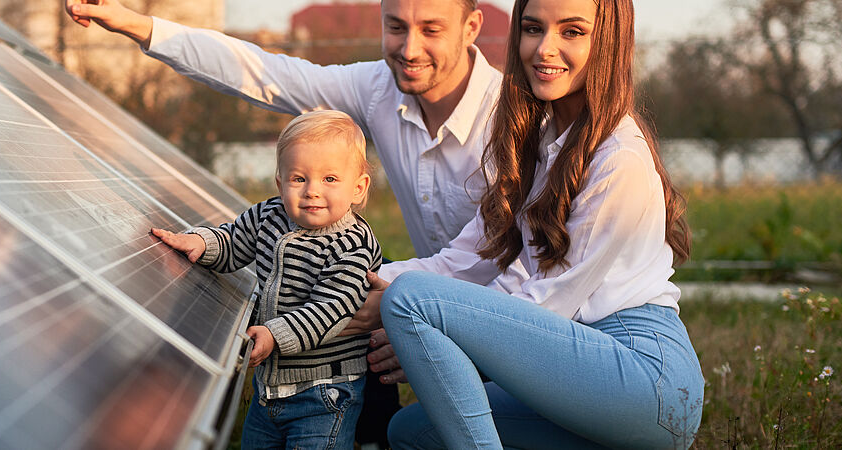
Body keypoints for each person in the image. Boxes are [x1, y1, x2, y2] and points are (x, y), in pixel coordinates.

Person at [66, 1, 515, 444]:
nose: (409, 48)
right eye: (396, 26)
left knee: (365, 300)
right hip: (423, 284)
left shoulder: (513, 118)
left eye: (431, 29)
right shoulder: (379, 86)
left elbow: (531, 271)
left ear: (472, 26)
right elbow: (263, 73)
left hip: (516, 310)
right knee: (352, 303)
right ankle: (359, 429)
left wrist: (423, 321)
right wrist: (135, 23)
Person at [362, 0, 707, 448]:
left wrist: (429, 333)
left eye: (572, 32)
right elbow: (467, 260)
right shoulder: (542, 142)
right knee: (411, 433)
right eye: (532, 28)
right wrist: (360, 287)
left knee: (410, 302)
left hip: (645, 379)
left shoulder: (618, 158)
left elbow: (544, 306)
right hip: (576, 368)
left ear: (609, 41)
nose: (545, 49)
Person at [151, 110, 382, 449]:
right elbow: (233, 241)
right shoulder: (269, 216)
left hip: (324, 392)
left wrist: (275, 334)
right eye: (299, 179)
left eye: (330, 179)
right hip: (269, 388)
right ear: (280, 181)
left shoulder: (353, 245)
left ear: (358, 188)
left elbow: (331, 309)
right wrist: (201, 242)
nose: (312, 192)